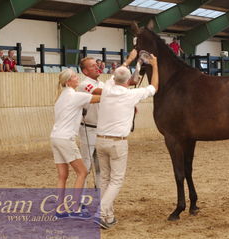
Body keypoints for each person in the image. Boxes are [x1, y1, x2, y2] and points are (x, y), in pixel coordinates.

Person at [93, 49, 159, 229]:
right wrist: (155, 65)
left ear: (114, 79)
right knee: (116, 180)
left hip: (100, 140)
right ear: (129, 81)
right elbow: (154, 87)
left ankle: (108, 216)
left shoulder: (107, 88)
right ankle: (100, 211)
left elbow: (119, 73)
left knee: (105, 178)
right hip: (117, 142)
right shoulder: (131, 95)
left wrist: (129, 60)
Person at [50, 68, 100, 219]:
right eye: (74, 76)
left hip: (55, 137)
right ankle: (76, 208)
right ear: (68, 81)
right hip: (66, 139)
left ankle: (60, 209)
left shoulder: (61, 97)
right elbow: (98, 98)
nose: (77, 78)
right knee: (82, 172)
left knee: (62, 175)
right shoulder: (75, 95)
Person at [78, 57, 104, 187]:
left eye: (97, 64)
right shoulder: (84, 84)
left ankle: (98, 191)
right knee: (86, 165)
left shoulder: (102, 83)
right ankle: (81, 198)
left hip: (100, 129)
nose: (97, 66)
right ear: (85, 71)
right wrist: (121, 92)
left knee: (101, 165)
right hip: (88, 129)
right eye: (93, 66)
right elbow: (98, 93)